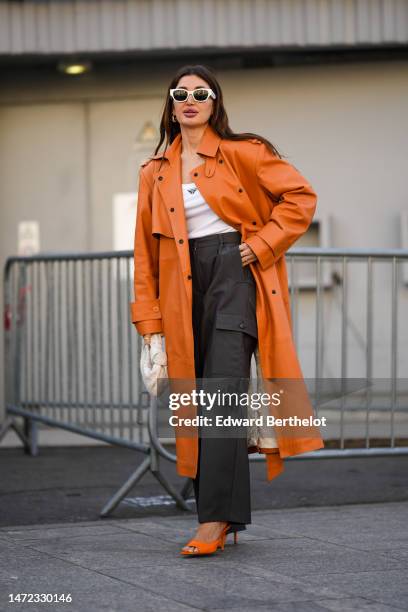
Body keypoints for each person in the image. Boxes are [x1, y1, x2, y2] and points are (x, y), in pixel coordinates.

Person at [131, 64, 322, 557]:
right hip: (179, 286)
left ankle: (213, 520)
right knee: (198, 403)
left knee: (222, 394)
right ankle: (227, 515)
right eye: (180, 93)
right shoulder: (154, 172)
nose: (190, 99)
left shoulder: (245, 152)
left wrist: (260, 245)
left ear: (215, 102)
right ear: (170, 105)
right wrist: (149, 322)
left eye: (201, 92)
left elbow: (300, 197)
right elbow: (145, 255)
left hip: (233, 275)